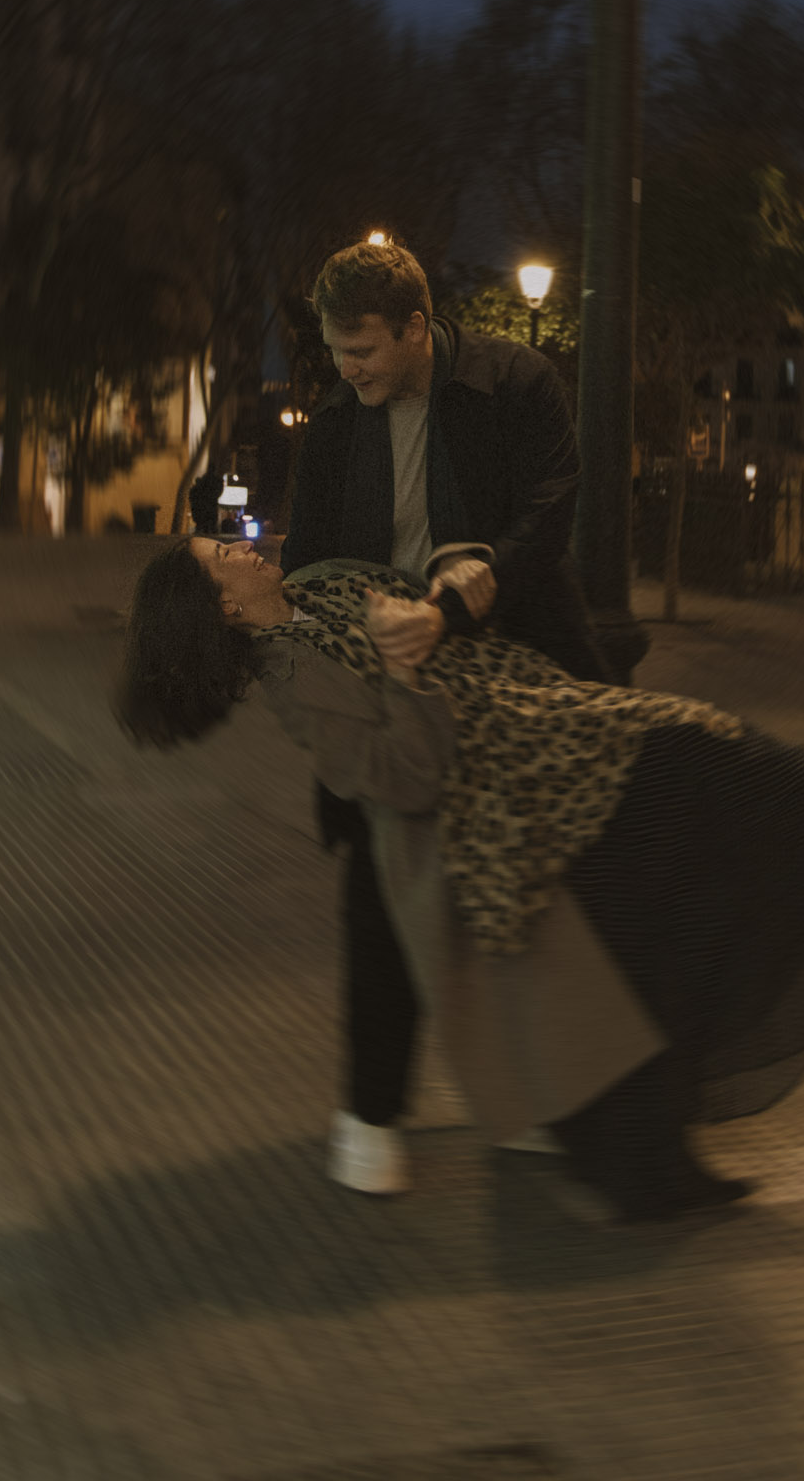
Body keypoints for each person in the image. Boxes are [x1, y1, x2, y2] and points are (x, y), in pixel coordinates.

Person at [117, 537, 804, 1225]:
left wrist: (446, 583)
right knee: (746, 798)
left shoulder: (321, 586)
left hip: (570, 726)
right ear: (227, 609)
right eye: (218, 556)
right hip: (534, 800)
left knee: (718, 830)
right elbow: (405, 776)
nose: (239, 545)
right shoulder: (294, 678)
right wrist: (407, 674)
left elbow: (434, 586)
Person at [278, 238, 610, 1195]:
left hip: (513, 665)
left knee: (526, 888)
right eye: (337, 353)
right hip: (389, 685)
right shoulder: (338, 421)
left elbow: (554, 508)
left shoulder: (514, 382)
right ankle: (371, 1112)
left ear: (419, 327)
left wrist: (472, 589)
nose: (346, 371)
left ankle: (533, 1095)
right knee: (382, 890)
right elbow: (309, 555)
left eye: (364, 351)